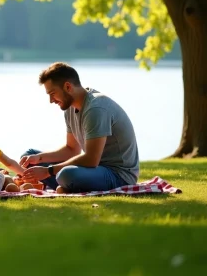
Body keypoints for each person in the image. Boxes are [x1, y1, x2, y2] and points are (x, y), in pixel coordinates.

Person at [20, 62, 139, 193]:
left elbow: (91, 159)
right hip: (92, 171)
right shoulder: (69, 108)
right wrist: (40, 158)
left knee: (67, 174)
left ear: (67, 87)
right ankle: (67, 187)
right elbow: (71, 149)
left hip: (117, 175)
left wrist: (48, 171)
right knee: (30, 156)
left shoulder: (96, 108)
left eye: (52, 93)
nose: (51, 100)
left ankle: (67, 185)